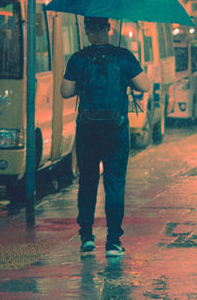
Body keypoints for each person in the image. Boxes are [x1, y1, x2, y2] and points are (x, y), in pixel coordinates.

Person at [61, 16, 150, 258]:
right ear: (109, 28)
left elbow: (65, 91)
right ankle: (113, 242)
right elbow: (145, 86)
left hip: (87, 128)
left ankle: (87, 238)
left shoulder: (79, 58)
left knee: (87, 182)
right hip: (116, 130)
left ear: (87, 30)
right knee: (115, 183)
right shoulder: (123, 56)